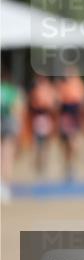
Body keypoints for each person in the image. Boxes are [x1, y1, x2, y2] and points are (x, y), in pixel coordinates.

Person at [57, 65, 84, 180]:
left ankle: (71, 166)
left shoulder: (80, 85)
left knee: (74, 144)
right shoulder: (62, 85)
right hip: (66, 116)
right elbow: (59, 103)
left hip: (75, 116)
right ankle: (67, 166)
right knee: (66, 144)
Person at [1, 66, 24, 202]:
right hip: (8, 122)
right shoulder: (13, 91)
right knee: (7, 155)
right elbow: (17, 109)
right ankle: (4, 186)